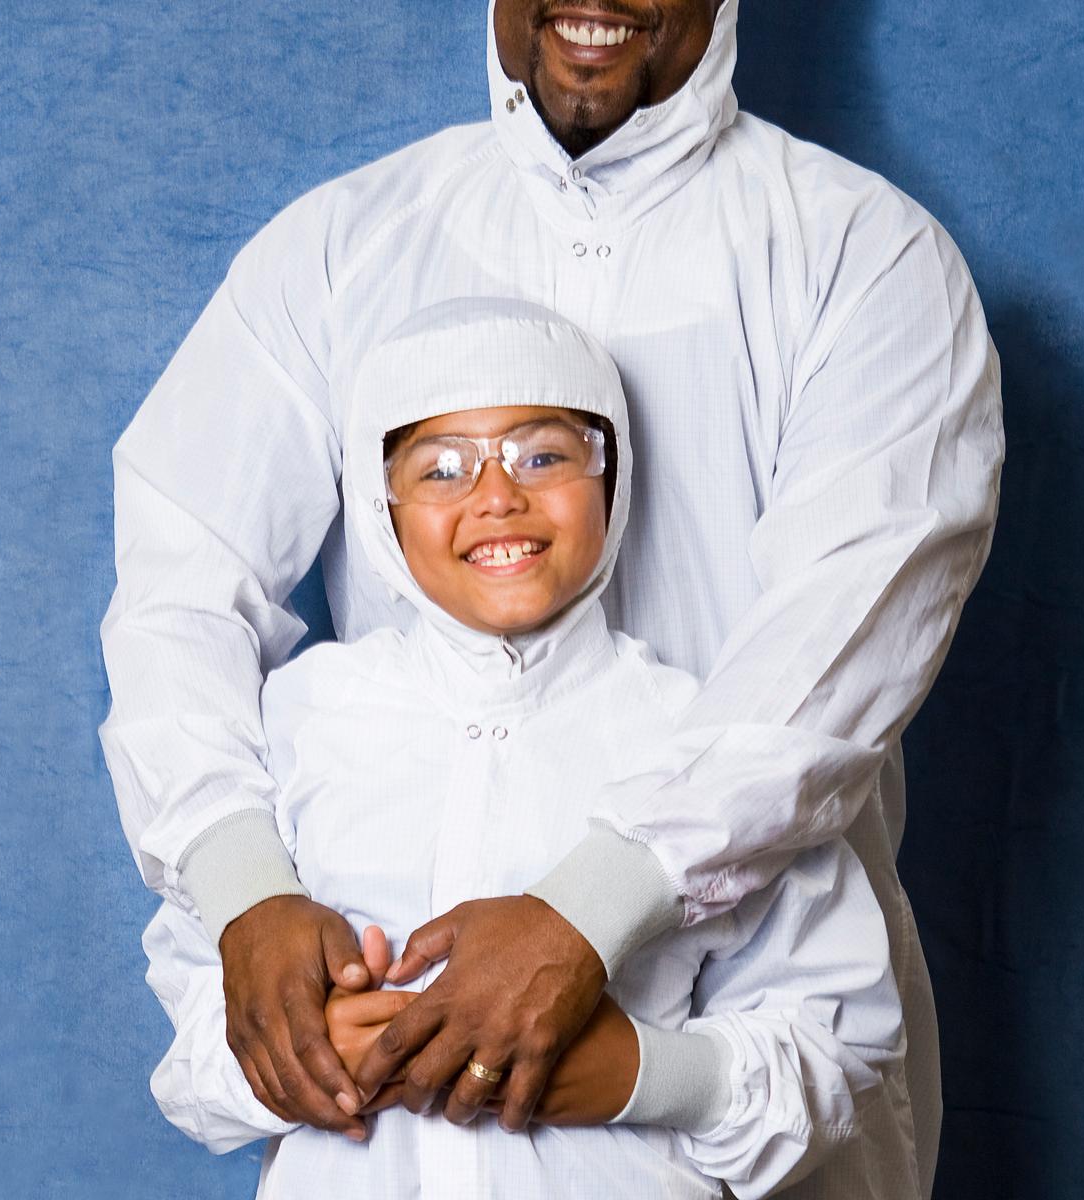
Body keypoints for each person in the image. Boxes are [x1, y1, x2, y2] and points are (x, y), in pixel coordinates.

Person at [98, 2, 1003, 1193]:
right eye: (440, 469)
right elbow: (180, 585)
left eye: (542, 459)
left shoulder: (864, 257)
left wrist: (589, 910)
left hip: (756, 1063)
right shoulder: (337, 251)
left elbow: (842, 641)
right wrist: (246, 894)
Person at [145, 298, 916, 1198]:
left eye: (543, 455)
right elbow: (196, 1046)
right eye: (440, 469)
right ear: (377, 501)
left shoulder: (707, 744)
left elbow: (840, 1049)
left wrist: (641, 1073)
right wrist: (302, 1055)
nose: (496, 496)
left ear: (612, 472)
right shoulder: (299, 722)